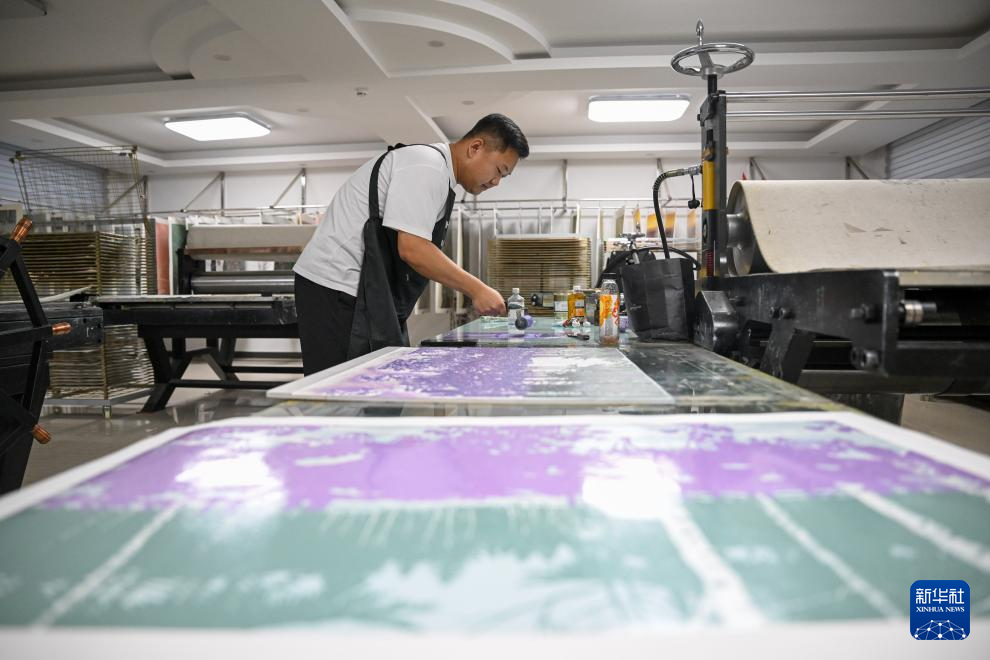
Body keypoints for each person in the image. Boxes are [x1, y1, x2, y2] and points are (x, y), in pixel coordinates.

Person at [293, 113, 529, 374]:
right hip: (336, 286)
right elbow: (413, 249)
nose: (496, 182)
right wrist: (477, 289)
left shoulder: (440, 174)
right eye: (499, 170)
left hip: (364, 292)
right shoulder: (427, 166)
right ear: (475, 147)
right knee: (340, 385)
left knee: (377, 377)